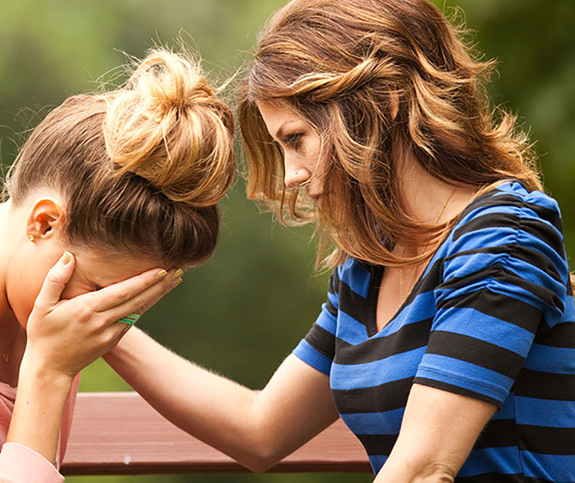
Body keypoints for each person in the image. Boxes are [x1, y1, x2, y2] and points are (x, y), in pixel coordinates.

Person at [102, 1, 575, 481]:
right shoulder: (368, 268)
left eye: (296, 138)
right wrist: (103, 318)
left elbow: (424, 468)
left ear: (385, 99)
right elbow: (259, 430)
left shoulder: (503, 235)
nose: (289, 175)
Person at [0, 49, 236, 482]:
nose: (105, 315)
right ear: (45, 222)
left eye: (127, 304)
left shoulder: (50, 312)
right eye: (98, 292)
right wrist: (49, 372)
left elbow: (252, 431)